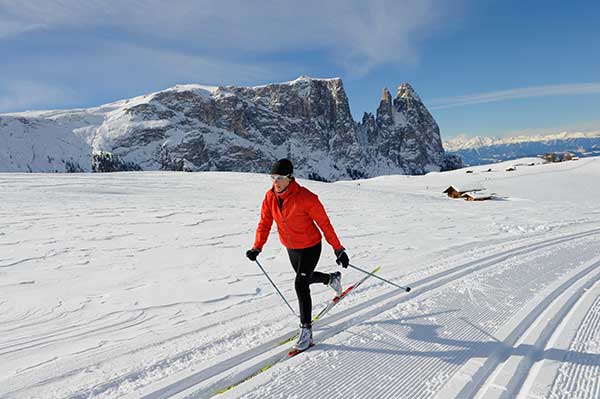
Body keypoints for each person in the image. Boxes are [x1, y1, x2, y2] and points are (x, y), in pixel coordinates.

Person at [246, 158, 350, 351]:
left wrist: (338, 249)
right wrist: (257, 247)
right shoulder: (270, 197)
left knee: (300, 284)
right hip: (291, 247)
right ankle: (331, 279)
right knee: (305, 277)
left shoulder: (306, 198)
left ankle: (306, 332)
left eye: (279, 177)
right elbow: (265, 223)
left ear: (290, 178)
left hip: (311, 245)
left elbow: (325, 224)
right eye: (272, 177)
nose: (275, 181)